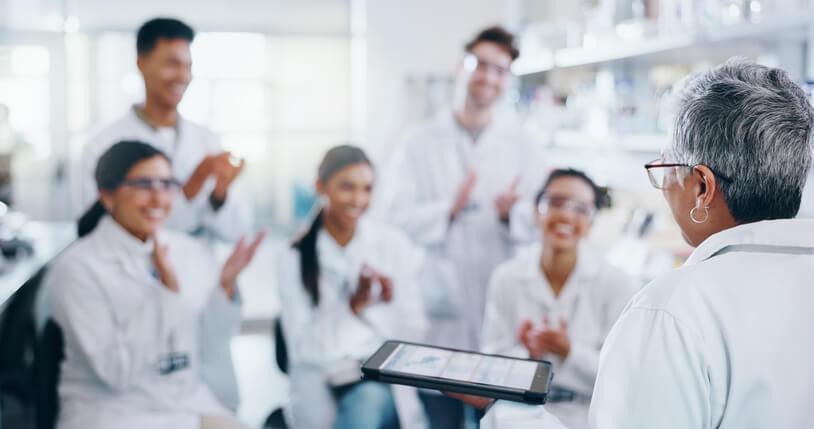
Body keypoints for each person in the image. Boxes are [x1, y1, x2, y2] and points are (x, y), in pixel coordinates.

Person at [485, 59, 814, 428]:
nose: (666, 187)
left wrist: (513, 420)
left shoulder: (671, 311)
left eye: (667, 169)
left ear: (702, 188)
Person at [379, 26, 546, 427]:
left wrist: (511, 214)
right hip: (441, 305)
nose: (489, 77)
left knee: (497, 415)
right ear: (461, 67)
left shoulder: (524, 142)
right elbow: (395, 217)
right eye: (481, 65)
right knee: (441, 413)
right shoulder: (418, 141)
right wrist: (448, 210)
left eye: (500, 70)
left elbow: (542, 218)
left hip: (497, 296)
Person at [49, 141, 264, 429]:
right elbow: (117, 373)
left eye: (167, 184)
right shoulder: (78, 268)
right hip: (113, 412)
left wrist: (224, 288)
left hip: (183, 403)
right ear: (107, 195)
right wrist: (165, 293)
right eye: (143, 184)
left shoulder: (187, 250)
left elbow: (210, 343)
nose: (159, 198)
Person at [276, 145, 427, 429]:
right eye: (347, 187)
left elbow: (413, 329)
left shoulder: (393, 245)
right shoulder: (293, 256)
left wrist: (383, 302)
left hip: (377, 380)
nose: (358, 199)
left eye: (367, 189)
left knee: (366, 402)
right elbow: (303, 348)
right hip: (318, 381)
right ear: (320, 186)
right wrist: (353, 308)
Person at [481, 169, 637, 429]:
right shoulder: (505, 278)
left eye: (580, 208)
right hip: (517, 413)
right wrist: (526, 353)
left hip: (585, 415)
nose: (566, 215)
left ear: (591, 221)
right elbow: (491, 367)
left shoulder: (617, 283)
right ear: (535, 211)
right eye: (555, 203)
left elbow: (621, 377)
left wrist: (569, 351)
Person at [77, 18, 252, 241]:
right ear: (141, 63)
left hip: (197, 268)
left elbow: (236, 231)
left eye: (188, 66)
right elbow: (92, 230)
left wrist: (220, 194)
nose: (182, 76)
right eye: (172, 64)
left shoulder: (207, 140)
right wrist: (190, 188)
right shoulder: (101, 145)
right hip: (129, 271)